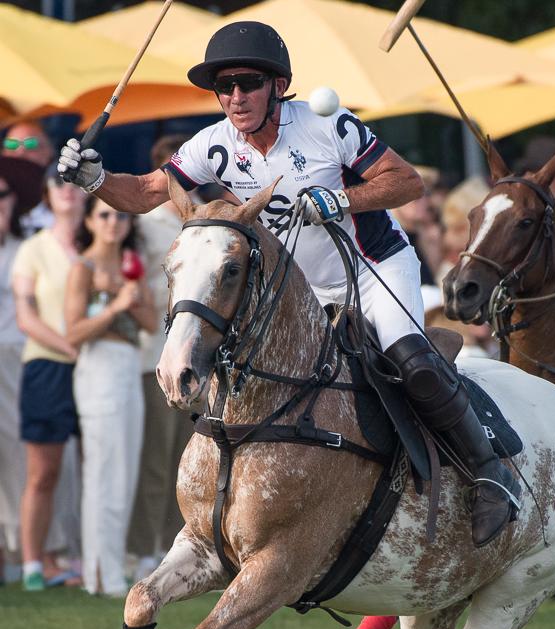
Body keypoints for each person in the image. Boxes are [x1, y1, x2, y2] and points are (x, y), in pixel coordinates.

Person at [58, 20, 519, 548]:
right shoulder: (213, 144)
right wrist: (95, 178)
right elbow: (143, 193)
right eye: (224, 86)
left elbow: (406, 182)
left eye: (248, 83)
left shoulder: (328, 125)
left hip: (373, 270)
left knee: (410, 361)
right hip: (299, 288)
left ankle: (488, 473)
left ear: (278, 85)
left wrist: (341, 198)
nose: (236, 97)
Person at [65, 197, 156, 596]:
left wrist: (123, 291)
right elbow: (73, 333)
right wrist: (114, 306)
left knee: (125, 471)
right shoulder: (83, 267)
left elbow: (150, 322)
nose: (113, 222)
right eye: (103, 215)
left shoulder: (131, 265)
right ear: (89, 221)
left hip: (129, 365)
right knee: (104, 472)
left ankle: (113, 568)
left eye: (120, 215)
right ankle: (100, 574)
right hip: (98, 367)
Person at [12, 166, 86, 590]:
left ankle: (90, 560)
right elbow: (26, 318)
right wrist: (72, 348)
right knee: (43, 473)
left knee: (97, 469)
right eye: (58, 183)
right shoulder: (33, 249)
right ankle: (33, 566)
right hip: (48, 366)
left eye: (74, 182)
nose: (67, 190)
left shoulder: (101, 240)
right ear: (46, 193)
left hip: (96, 368)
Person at [127, 135, 196, 581]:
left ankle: (176, 548)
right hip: (154, 356)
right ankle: (140, 550)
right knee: (154, 460)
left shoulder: (200, 218)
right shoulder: (145, 225)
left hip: (195, 360)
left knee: (184, 463)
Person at [0, 155, 43, 582]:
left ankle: (15, 551)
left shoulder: (26, 246)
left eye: (2, 195)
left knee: (17, 454)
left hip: (17, 354)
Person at [3, 121, 56, 237]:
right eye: (11, 144)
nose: (20, 151)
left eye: (30, 144)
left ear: (49, 152)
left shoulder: (61, 195)